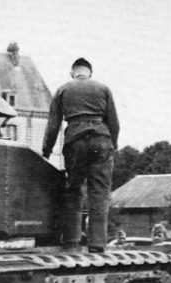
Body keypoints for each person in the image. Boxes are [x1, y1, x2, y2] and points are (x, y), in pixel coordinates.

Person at [42, 57, 119, 253]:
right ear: (89, 73)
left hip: (76, 141)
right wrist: (113, 145)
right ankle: (97, 244)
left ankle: (71, 241)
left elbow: (53, 124)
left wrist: (46, 150)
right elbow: (114, 123)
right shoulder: (103, 89)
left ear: (73, 73)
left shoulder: (63, 89)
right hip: (101, 141)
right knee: (99, 193)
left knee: (73, 190)